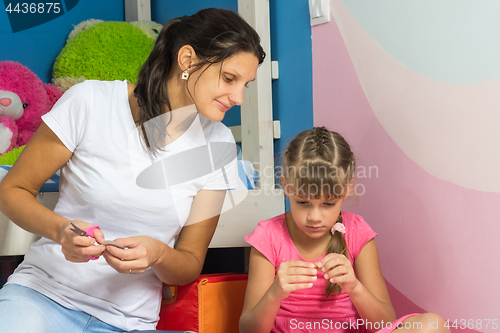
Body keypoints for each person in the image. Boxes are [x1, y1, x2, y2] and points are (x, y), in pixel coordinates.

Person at [0, 7, 264, 333]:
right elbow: (13, 190)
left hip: (127, 323)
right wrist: (61, 231)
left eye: (245, 85)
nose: (238, 97)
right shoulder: (90, 101)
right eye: (229, 78)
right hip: (42, 296)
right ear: (187, 61)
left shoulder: (219, 146)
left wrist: (158, 255)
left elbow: (188, 264)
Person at [239, 127, 450, 333]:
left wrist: (354, 286)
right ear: (286, 186)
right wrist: (274, 293)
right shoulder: (269, 235)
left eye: (328, 204)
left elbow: (384, 323)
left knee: (433, 324)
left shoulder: (357, 233)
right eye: (303, 202)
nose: (314, 217)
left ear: (347, 189)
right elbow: (248, 330)